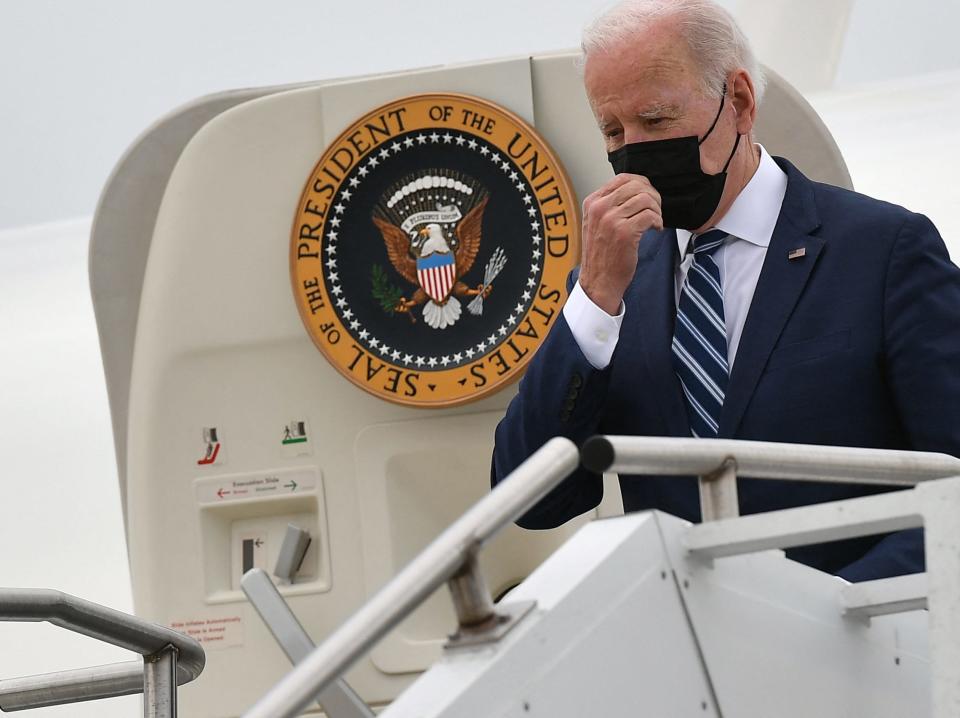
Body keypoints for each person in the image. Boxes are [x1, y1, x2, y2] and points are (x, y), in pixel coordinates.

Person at [491, 0, 960, 582]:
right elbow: (532, 500)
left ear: (738, 102)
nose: (632, 149)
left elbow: (954, 485)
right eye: (613, 130)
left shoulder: (882, 251)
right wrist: (592, 303)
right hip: (697, 656)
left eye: (657, 121)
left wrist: (835, 613)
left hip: (865, 643)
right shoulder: (613, 287)